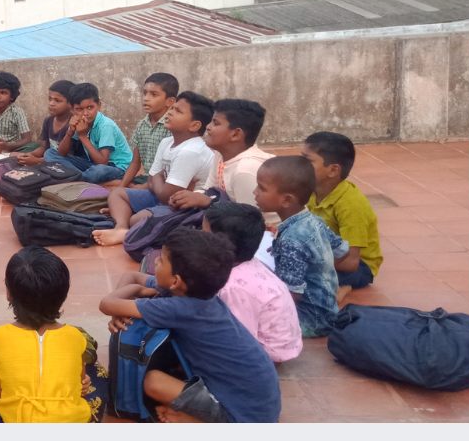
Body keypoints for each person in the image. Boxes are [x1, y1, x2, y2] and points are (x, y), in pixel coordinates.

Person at [100, 229, 281, 423]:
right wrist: (123, 306)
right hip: (261, 401)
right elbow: (132, 275)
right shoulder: (198, 294)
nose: (155, 263)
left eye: (160, 260)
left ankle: (198, 421)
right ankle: (189, 413)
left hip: (243, 417)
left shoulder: (181, 308)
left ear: (176, 281)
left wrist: (133, 292)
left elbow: (107, 303)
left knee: (153, 382)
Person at [0, 247, 100, 423]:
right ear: (63, 295)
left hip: (17, 419)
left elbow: (1, 385)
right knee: (97, 374)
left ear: (8, 294)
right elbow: (81, 387)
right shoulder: (75, 337)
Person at [94, 91, 216, 246]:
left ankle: (129, 224)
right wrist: (158, 180)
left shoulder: (190, 151)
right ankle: (121, 227)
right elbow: (151, 182)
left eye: (178, 111)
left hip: (185, 207)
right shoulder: (166, 142)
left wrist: (158, 179)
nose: (170, 112)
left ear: (195, 125)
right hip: (163, 196)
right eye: (172, 108)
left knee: (137, 219)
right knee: (117, 194)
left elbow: (167, 196)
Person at [253, 156, 349, 338]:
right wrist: (320, 269)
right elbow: (341, 250)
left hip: (310, 319)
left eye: (262, 188)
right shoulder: (313, 220)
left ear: (287, 200)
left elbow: (292, 293)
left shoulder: (292, 239)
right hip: (327, 310)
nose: (254, 192)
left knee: (248, 317)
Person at [202, 202, 302, 363]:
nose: (198, 237)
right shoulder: (247, 263)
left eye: (204, 234)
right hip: (282, 343)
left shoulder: (233, 287)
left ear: (222, 245)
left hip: (268, 353)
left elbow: (240, 338)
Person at [169, 99, 280, 229]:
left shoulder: (244, 170)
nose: (208, 127)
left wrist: (208, 202)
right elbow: (209, 189)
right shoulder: (221, 155)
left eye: (216, 123)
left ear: (235, 134)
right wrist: (186, 198)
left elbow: (248, 221)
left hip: (266, 235)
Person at [303, 132, 382, 299]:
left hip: (358, 265)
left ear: (333, 170)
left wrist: (306, 259)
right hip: (325, 252)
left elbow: (351, 262)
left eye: (308, 161)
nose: (300, 165)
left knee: (303, 276)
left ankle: (345, 285)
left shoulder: (351, 205)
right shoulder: (310, 189)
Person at [47, 83, 133, 186]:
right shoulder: (77, 121)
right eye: (79, 109)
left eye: (90, 107)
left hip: (117, 167)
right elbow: (61, 153)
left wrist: (83, 137)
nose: (86, 113)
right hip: (92, 164)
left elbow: (103, 162)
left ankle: (74, 178)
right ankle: (79, 177)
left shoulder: (105, 125)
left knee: (98, 171)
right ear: (72, 109)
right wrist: (70, 132)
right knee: (50, 153)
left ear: (99, 106)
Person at [122, 73, 178, 188]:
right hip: (146, 178)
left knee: (123, 194)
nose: (146, 98)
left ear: (170, 101)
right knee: (117, 188)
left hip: (165, 181)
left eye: (154, 94)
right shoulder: (141, 126)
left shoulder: (172, 127)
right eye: (144, 93)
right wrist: (122, 186)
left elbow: (172, 169)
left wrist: (142, 188)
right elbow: (135, 163)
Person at [13, 80, 74, 166]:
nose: (51, 104)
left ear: (70, 104)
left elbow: (67, 157)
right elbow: (43, 148)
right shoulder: (48, 121)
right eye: (50, 99)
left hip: (65, 163)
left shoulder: (72, 125)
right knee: (15, 157)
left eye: (57, 100)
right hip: (48, 159)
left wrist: (36, 161)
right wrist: (29, 156)